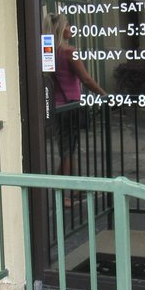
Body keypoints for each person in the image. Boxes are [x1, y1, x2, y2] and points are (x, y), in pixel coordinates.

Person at [42, 14, 107, 185]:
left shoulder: (49, 53)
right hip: (70, 106)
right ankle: (67, 193)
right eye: (67, 26)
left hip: (57, 108)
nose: (71, 29)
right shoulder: (70, 52)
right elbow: (86, 79)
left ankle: (62, 187)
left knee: (67, 150)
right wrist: (104, 94)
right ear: (60, 29)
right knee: (68, 152)